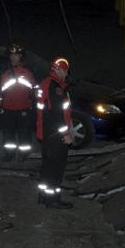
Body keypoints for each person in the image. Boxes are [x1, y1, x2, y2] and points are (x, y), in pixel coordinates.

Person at [36, 56, 73, 208]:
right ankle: (53, 200)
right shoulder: (56, 88)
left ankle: (43, 196)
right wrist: (66, 134)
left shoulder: (45, 83)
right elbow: (57, 115)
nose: (67, 74)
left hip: (46, 134)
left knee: (47, 167)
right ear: (58, 69)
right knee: (56, 170)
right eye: (65, 70)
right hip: (55, 136)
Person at [0, 42, 36, 162]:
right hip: (8, 109)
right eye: (11, 55)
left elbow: (33, 91)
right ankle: (9, 154)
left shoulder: (27, 74)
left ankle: (24, 155)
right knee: (8, 135)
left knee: (24, 134)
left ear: (21, 57)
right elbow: (1, 91)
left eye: (16, 55)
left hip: (23, 109)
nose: (13, 57)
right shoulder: (5, 73)